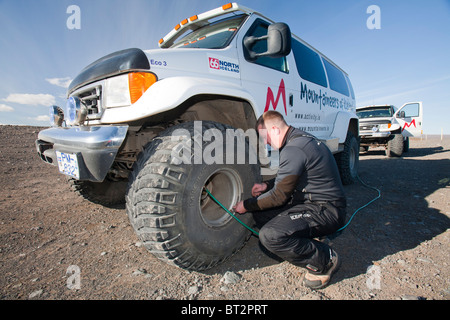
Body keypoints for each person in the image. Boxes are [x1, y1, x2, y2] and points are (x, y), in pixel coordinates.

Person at [233, 110, 347, 289]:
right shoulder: (299, 140)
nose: (266, 143)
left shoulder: (294, 149)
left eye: (265, 137)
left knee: (270, 236)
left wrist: (246, 205)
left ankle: (325, 260)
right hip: (311, 202)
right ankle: (308, 239)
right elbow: (288, 180)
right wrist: (266, 186)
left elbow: (279, 197)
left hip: (327, 210)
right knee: (262, 216)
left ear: (274, 130)